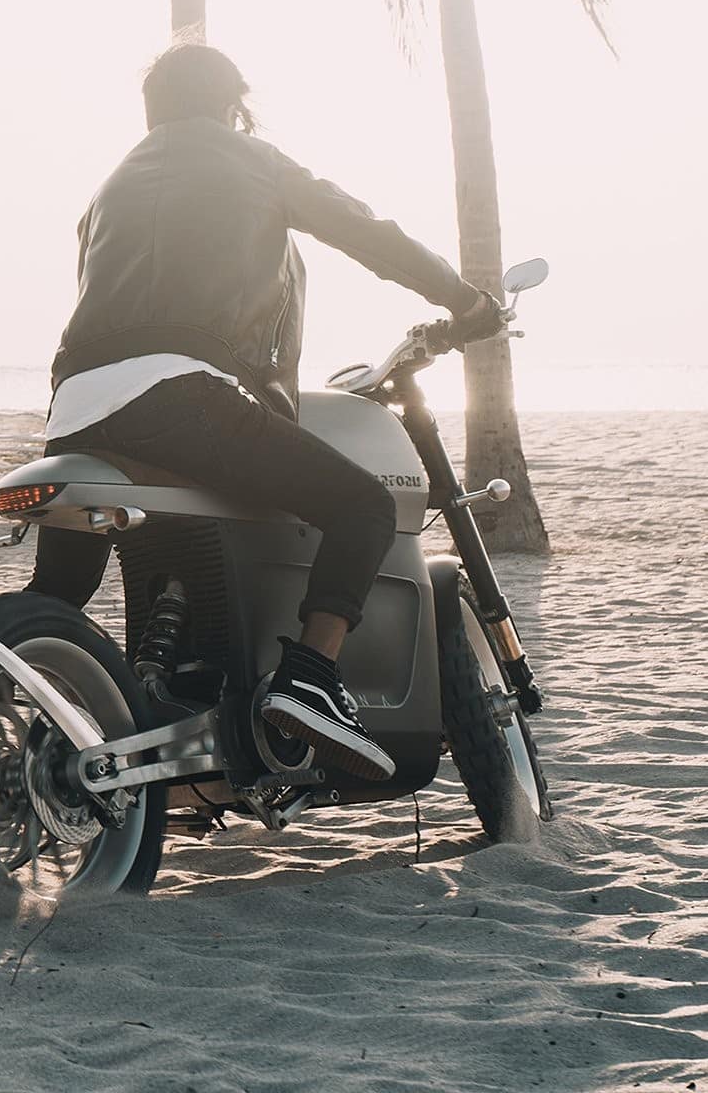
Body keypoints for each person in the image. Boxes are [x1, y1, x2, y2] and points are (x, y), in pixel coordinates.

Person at [26, 43, 503, 782]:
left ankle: (26, 717)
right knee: (360, 504)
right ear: (230, 106)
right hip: (177, 395)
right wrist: (466, 302)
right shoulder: (252, 161)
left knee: (59, 595)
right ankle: (311, 676)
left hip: (73, 412)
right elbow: (366, 232)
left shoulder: (108, 187)